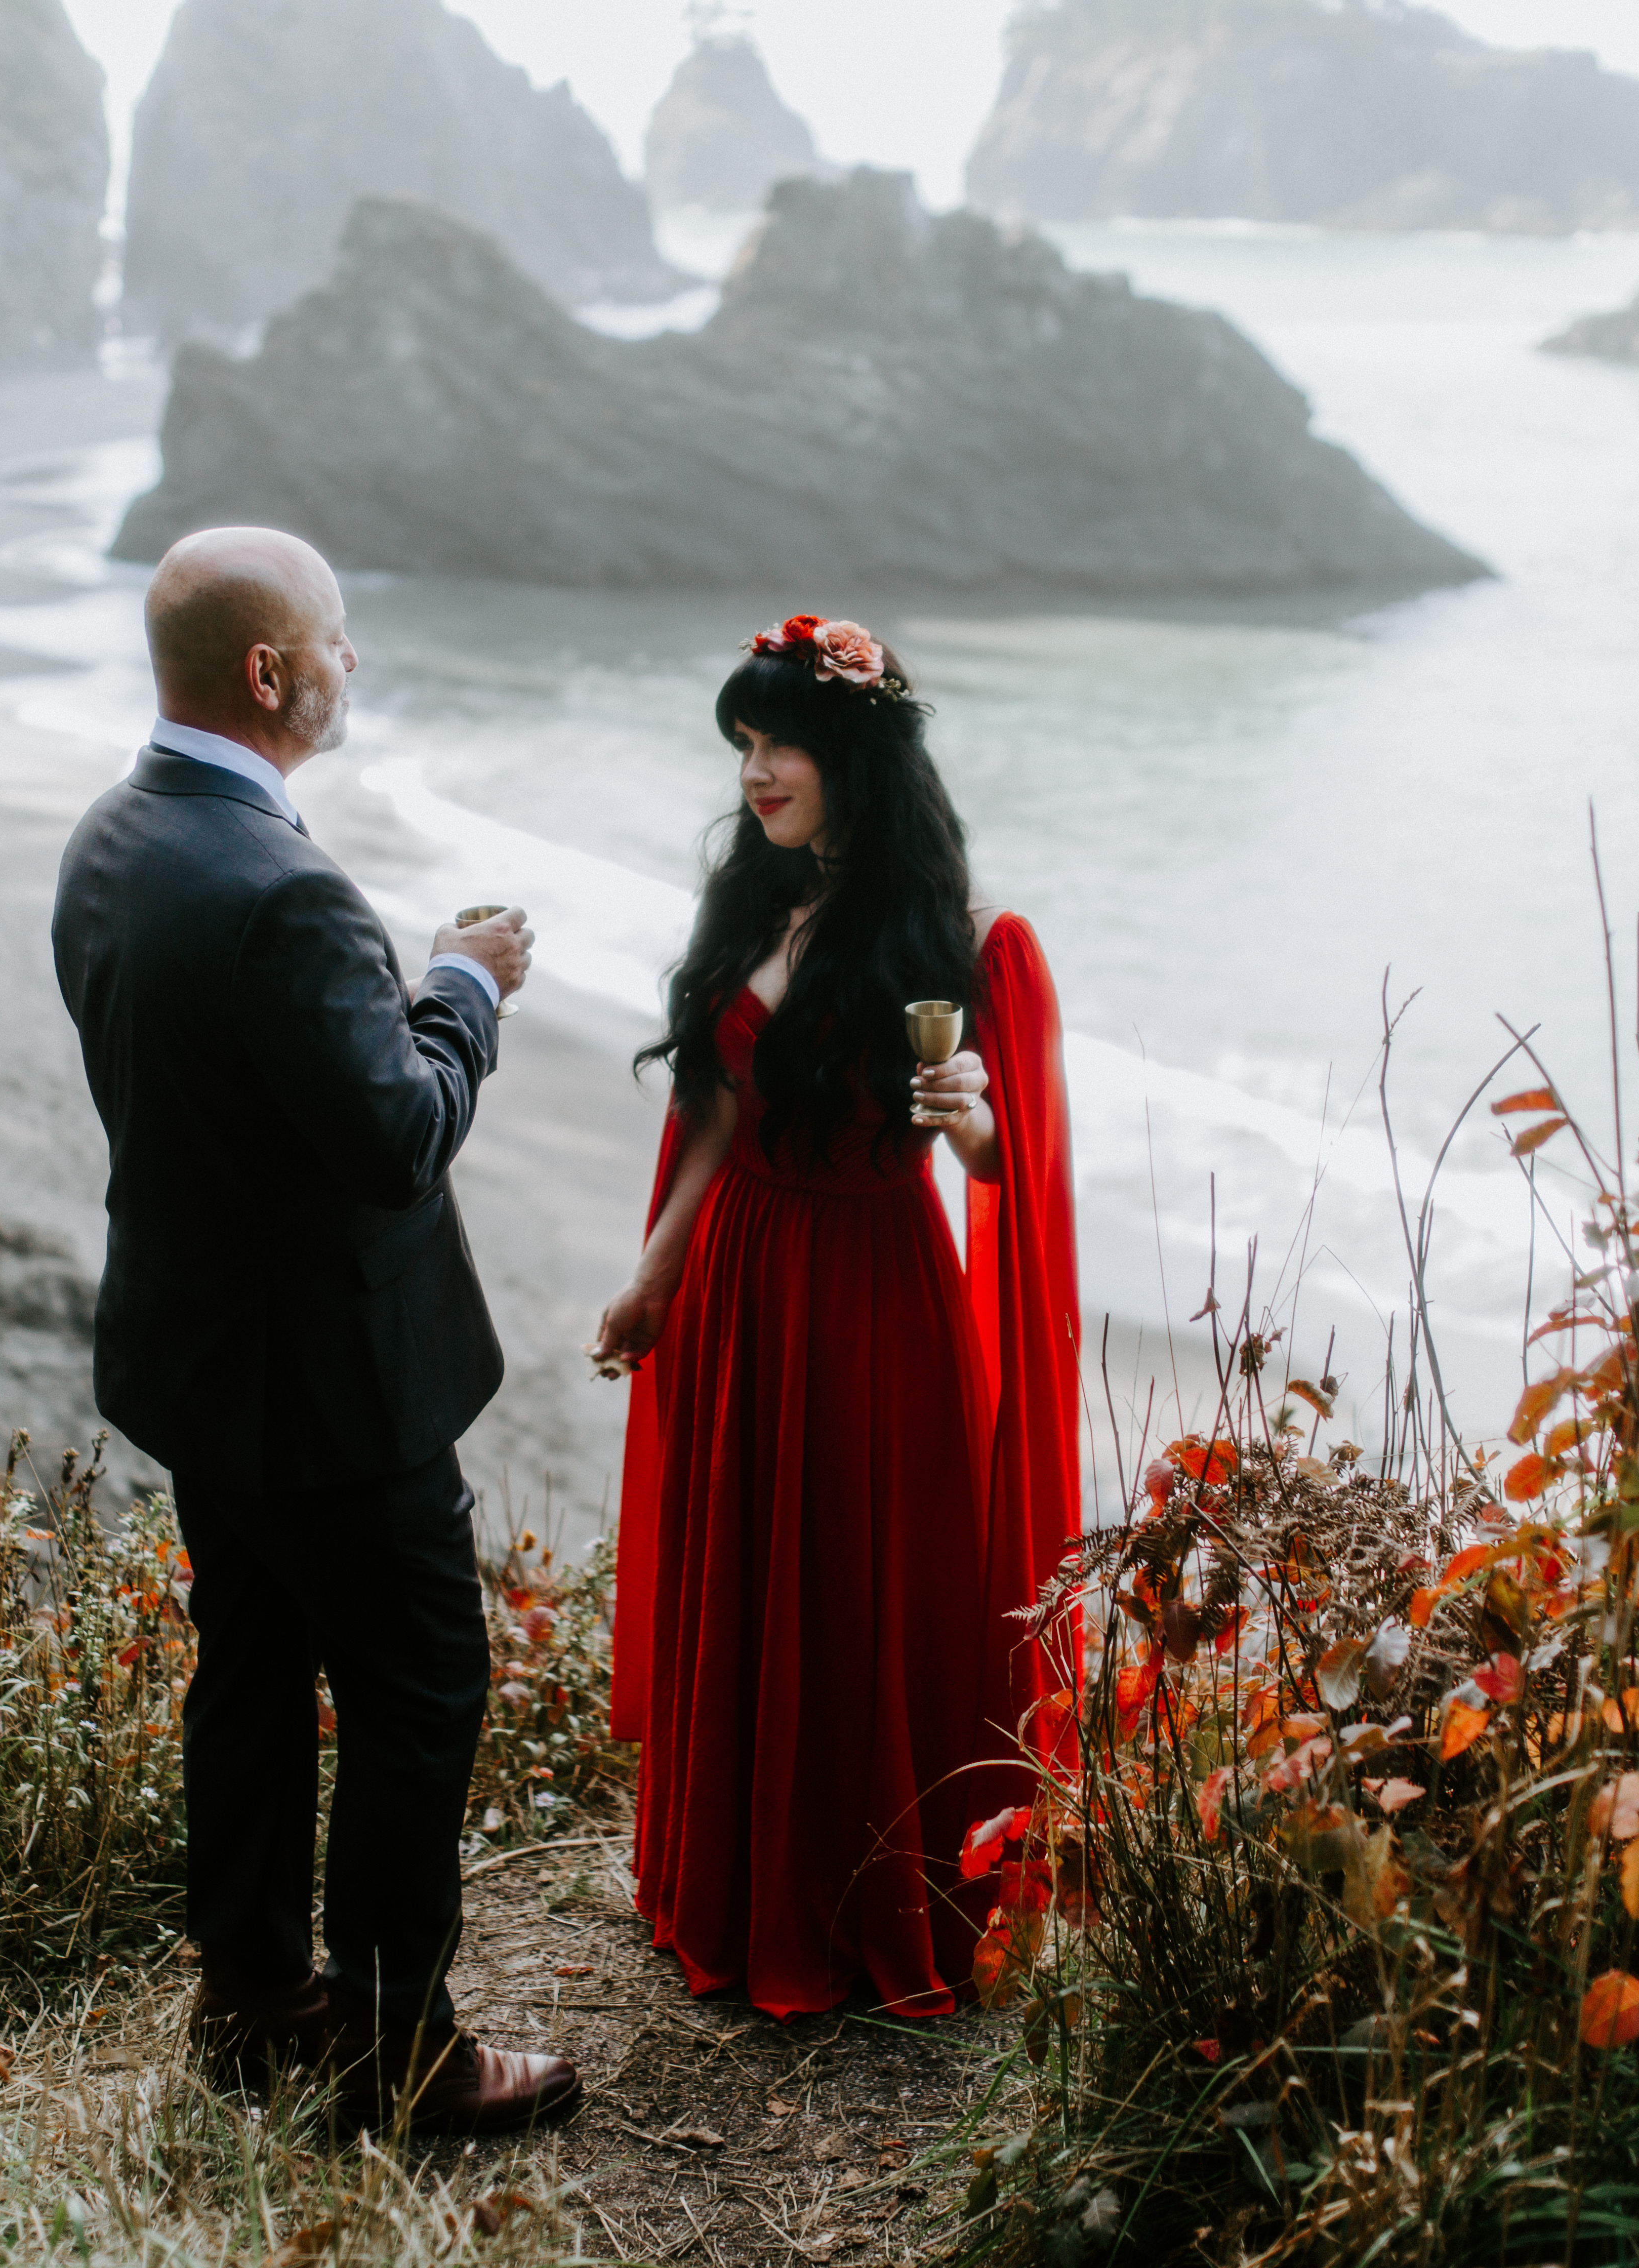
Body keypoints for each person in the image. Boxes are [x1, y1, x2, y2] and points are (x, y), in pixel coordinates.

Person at [50, 526, 579, 2131]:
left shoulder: (110, 836)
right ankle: (400, 2053)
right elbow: (399, 1138)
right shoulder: (286, 892)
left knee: (257, 1674)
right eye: (338, 642)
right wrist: (461, 987)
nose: (355, 665)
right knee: (421, 1694)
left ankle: (254, 1989)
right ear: (273, 673)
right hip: (338, 1393)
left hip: (203, 1364)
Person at [593, 613, 1084, 2017]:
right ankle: (744, 1887)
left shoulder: (973, 940)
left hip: (876, 1293)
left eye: (779, 742)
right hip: (747, 1281)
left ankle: (868, 1894)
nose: (755, 772)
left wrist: (978, 1120)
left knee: (864, 1588)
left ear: (857, 752)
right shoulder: (756, 900)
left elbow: (1005, 1175)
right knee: (748, 1572)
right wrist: (656, 1277)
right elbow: (719, 1114)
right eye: (742, 745)